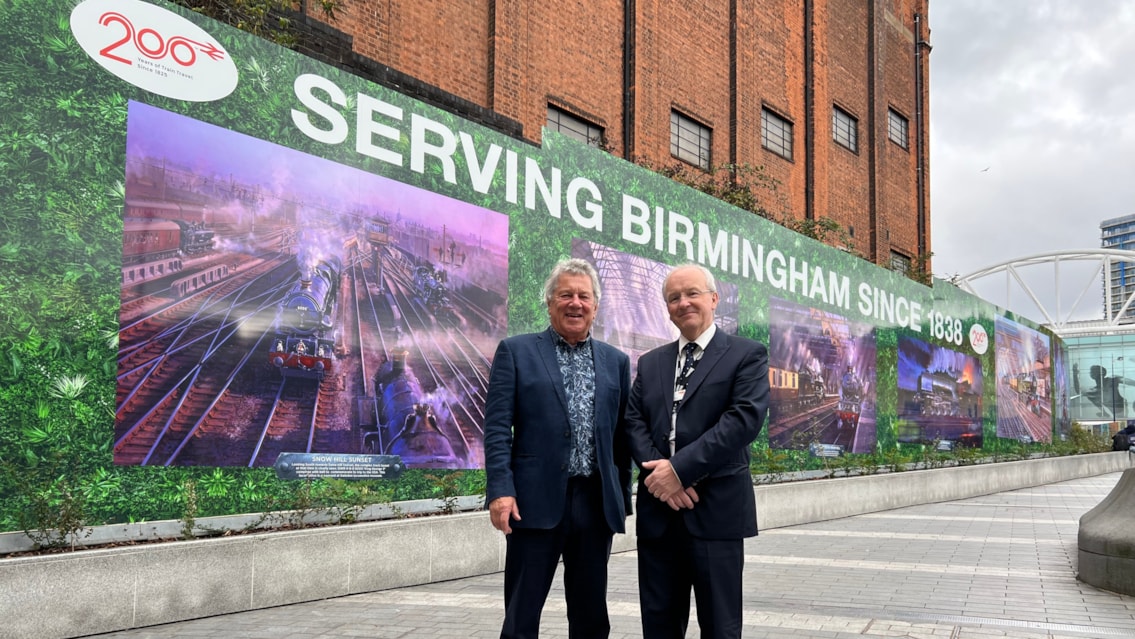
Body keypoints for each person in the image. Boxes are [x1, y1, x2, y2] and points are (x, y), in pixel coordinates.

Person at [483, 258, 633, 639]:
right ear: (549, 303)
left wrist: (623, 499)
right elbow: (498, 427)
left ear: (595, 306)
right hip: (533, 502)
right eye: (566, 294)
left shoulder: (615, 361)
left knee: (590, 615)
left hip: (595, 504)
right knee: (522, 613)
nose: (575, 303)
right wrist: (501, 490)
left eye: (584, 296)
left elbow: (620, 437)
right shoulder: (516, 352)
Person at [625, 263, 769, 639]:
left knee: (720, 627)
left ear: (713, 299)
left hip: (716, 513)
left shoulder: (746, 355)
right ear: (667, 307)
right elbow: (632, 421)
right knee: (659, 626)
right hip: (660, 516)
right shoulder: (651, 362)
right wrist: (663, 479)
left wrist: (680, 471)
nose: (683, 302)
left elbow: (742, 421)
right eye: (674, 297)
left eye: (692, 293)